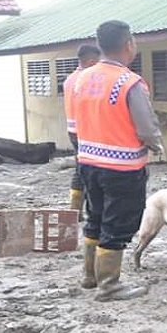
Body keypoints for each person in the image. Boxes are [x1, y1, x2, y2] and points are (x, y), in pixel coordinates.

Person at [73, 20, 164, 301]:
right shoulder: (129, 82)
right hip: (122, 167)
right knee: (118, 223)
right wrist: (156, 143)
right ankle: (109, 285)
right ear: (128, 44)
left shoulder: (82, 78)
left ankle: (90, 275)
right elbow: (146, 127)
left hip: (88, 161)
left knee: (96, 218)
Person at [64, 43, 102, 214]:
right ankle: (87, 210)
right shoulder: (88, 79)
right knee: (88, 171)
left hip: (72, 130)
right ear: (91, 61)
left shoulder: (69, 79)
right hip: (86, 131)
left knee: (80, 169)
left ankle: (75, 209)